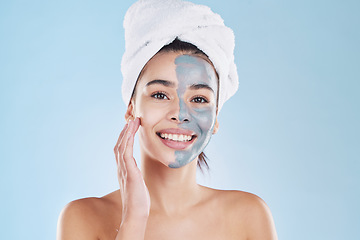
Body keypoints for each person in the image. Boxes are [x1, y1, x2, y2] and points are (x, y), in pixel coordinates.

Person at [57, 0, 278, 239]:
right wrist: (134, 217)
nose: (180, 113)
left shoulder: (249, 216)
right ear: (131, 108)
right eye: (160, 94)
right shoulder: (83, 218)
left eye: (200, 99)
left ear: (215, 118)